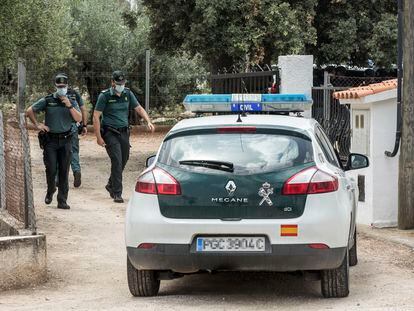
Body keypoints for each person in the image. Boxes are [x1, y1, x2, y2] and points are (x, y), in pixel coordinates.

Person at [93, 71, 155, 203]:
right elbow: (96, 116)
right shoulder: (104, 96)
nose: (121, 85)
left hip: (124, 132)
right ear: (112, 83)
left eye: (122, 83)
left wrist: (148, 121)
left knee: (124, 158)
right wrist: (98, 137)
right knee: (116, 160)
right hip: (109, 132)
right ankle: (117, 193)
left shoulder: (127, 93)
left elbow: (139, 108)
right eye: (118, 83)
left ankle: (111, 184)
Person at [26, 73, 82, 209]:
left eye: (64, 86)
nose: (61, 88)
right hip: (50, 141)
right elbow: (30, 110)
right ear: (55, 86)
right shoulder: (48, 100)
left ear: (67, 86)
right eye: (59, 86)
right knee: (51, 169)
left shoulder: (71, 101)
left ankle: (62, 200)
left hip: (66, 140)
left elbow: (79, 118)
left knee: (64, 170)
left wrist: (69, 105)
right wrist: (38, 125)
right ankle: (51, 190)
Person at [67, 85, 88, 187]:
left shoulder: (55, 96)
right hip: (74, 127)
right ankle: (76, 170)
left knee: (58, 151)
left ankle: (57, 177)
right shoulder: (74, 95)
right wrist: (84, 125)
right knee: (74, 151)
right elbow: (83, 109)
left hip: (59, 129)